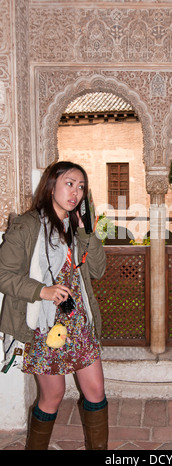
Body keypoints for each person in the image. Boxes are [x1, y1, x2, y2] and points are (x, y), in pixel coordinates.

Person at [0, 161, 108, 450]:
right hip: (44, 324)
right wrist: (42, 290)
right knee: (53, 396)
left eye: (81, 187)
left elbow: (97, 270)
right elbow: (3, 275)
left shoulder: (75, 227)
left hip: (78, 322)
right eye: (69, 183)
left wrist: (88, 233)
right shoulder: (27, 225)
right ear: (51, 185)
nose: (76, 192)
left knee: (96, 391)